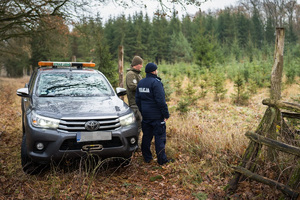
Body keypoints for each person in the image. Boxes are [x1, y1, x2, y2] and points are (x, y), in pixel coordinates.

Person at [135, 62, 171, 165]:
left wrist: (143, 111)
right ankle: (162, 160)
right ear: (154, 71)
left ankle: (147, 158)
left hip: (146, 116)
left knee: (146, 137)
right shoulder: (156, 83)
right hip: (157, 117)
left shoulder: (141, 83)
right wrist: (166, 114)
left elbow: (137, 100)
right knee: (160, 138)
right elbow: (161, 101)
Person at [126, 56, 143, 134]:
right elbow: (132, 86)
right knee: (137, 125)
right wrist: (143, 89)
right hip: (134, 104)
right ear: (136, 64)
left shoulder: (138, 75)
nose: (142, 66)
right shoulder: (130, 74)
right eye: (140, 64)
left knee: (140, 124)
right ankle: (136, 143)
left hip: (139, 103)